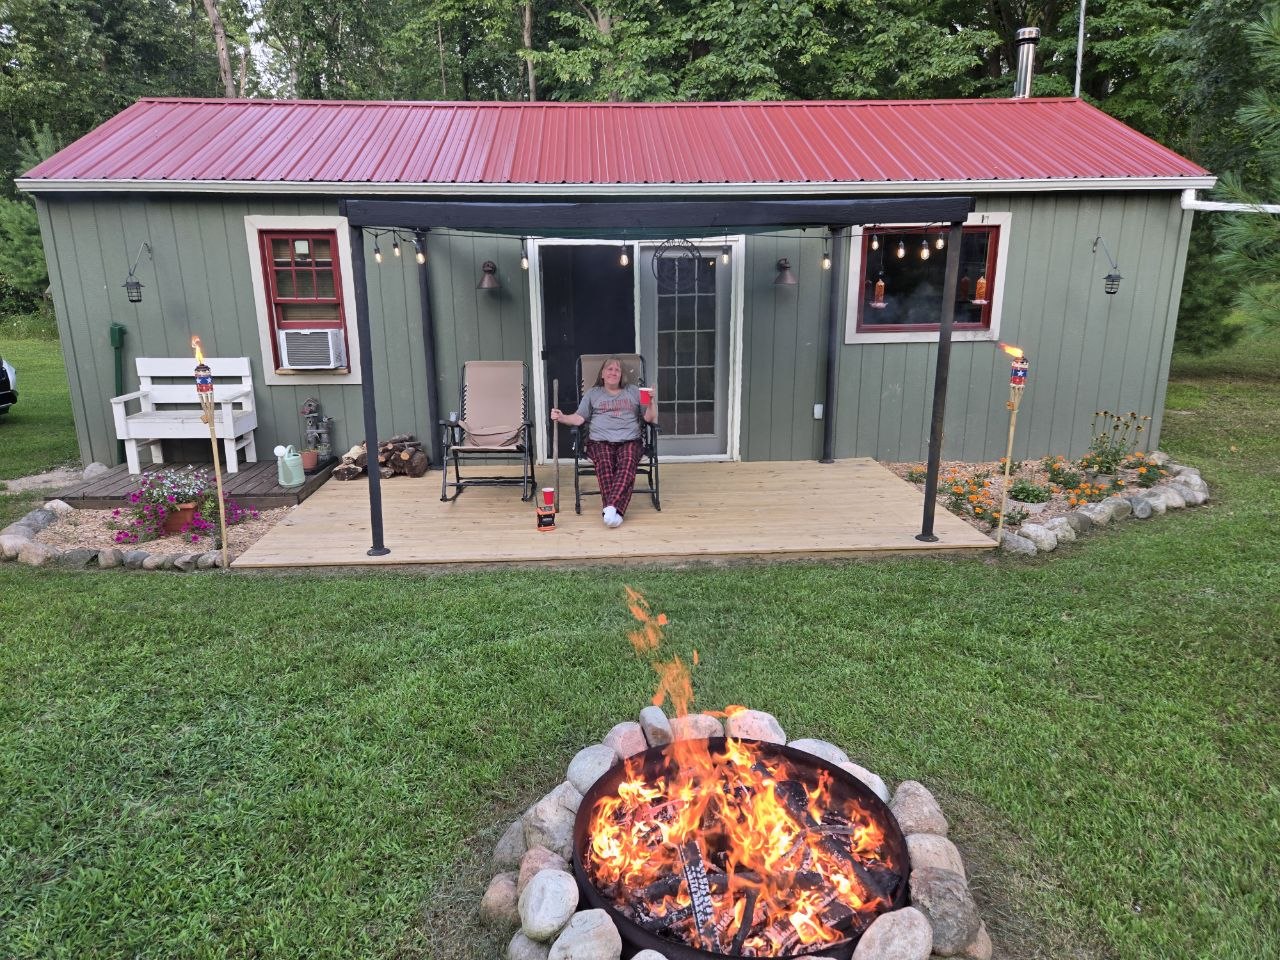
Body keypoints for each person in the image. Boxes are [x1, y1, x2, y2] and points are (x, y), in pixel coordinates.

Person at [550, 357, 657, 527]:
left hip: (630, 440)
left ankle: (611, 507)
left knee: (628, 461)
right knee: (604, 463)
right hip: (599, 441)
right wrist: (562, 417)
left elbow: (649, 418)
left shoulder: (633, 391)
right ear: (602, 373)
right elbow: (579, 418)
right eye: (609, 369)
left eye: (617, 370)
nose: (613, 372)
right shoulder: (593, 394)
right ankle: (616, 511)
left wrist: (651, 402)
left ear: (621, 375)